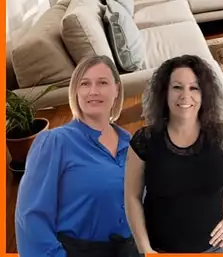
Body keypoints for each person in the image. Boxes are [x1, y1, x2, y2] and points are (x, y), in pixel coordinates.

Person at [125, 55, 223, 254]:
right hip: (157, 250)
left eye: (194, 88)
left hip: (211, 249)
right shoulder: (144, 140)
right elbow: (132, 197)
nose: (185, 96)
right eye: (177, 87)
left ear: (205, 94)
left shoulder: (222, 136)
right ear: (165, 93)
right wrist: (146, 250)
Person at [15, 55, 140, 257]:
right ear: (75, 91)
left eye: (102, 83)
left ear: (116, 89)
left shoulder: (131, 144)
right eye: (85, 84)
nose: (93, 91)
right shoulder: (54, 143)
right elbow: (30, 219)